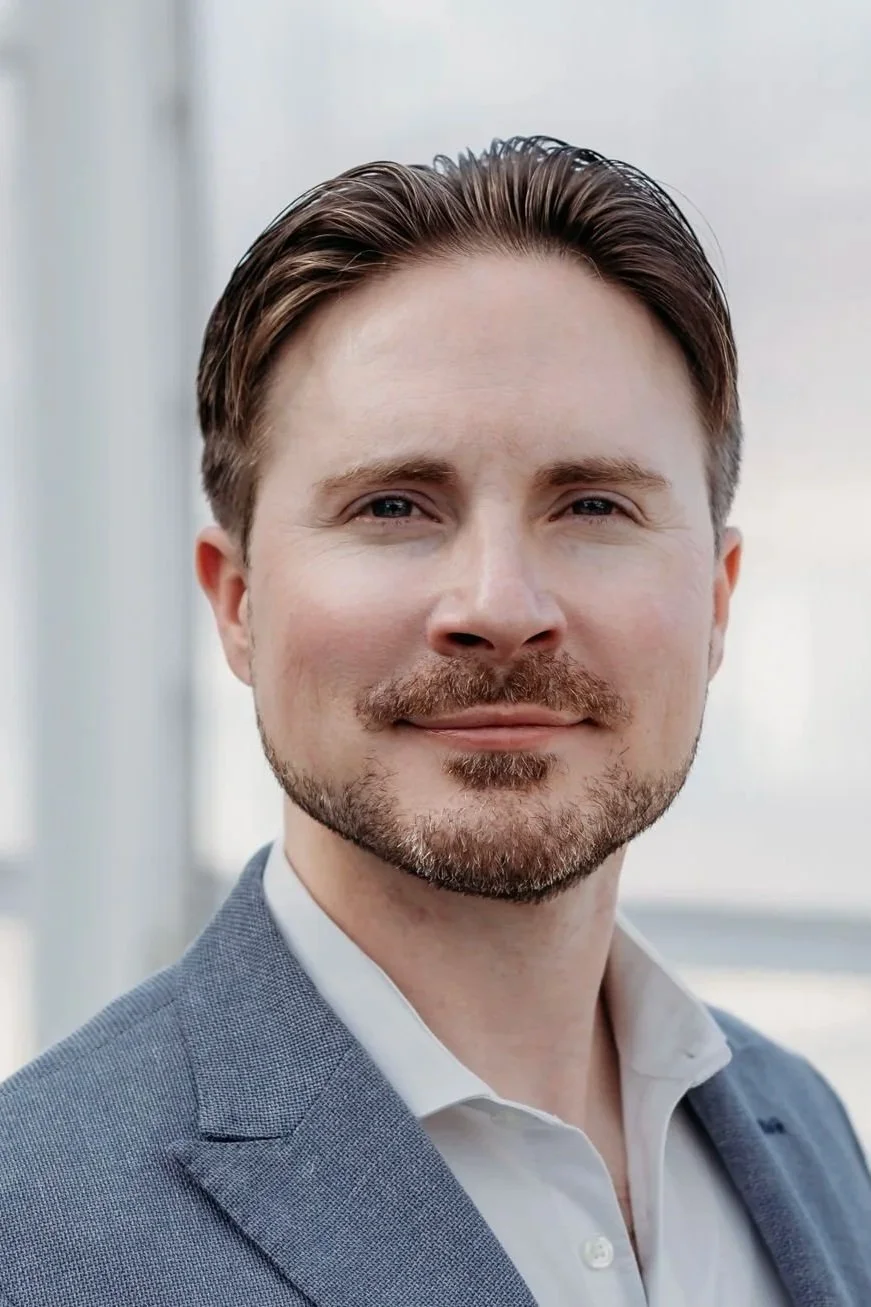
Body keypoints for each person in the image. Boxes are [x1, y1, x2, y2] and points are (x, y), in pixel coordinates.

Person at [1, 136, 869, 1307]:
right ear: (239, 602)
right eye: (394, 506)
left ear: (716, 602)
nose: (500, 607)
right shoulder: (34, 1227)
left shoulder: (807, 1135)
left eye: (593, 503)